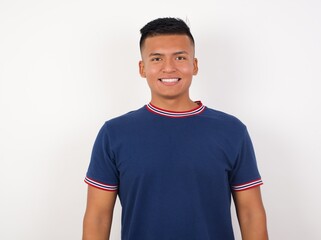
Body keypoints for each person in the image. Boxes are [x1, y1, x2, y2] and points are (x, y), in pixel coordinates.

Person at [82, 17, 268, 240]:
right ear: (142, 68)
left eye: (180, 57)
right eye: (157, 58)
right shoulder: (113, 134)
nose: (169, 67)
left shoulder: (232, 131)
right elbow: (98, 216)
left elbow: (250, 213)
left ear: (194, 65)